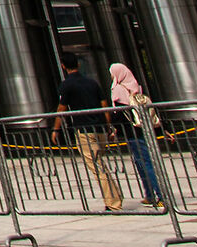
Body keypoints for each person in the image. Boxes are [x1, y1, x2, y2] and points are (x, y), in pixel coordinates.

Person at [51, 55, 123, 212]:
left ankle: (114, 202)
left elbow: (61, 109)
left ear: (63, 66)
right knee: (100, 164)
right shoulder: (92, 83)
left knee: (97, 167)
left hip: (84, 130)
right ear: (78, 64)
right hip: (100, 129)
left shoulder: (67, 85)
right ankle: (114, 196)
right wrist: (109, 127)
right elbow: (104, 106)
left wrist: (56, 129)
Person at [108, 62, 161, 207]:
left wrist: (113, 128)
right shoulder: (134, 85)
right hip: (143, 128)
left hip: (132, 131)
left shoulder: (118, 88)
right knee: (143, 162)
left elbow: (119, 113)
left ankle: (160, 195)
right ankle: (149, 194)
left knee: (145, 163)